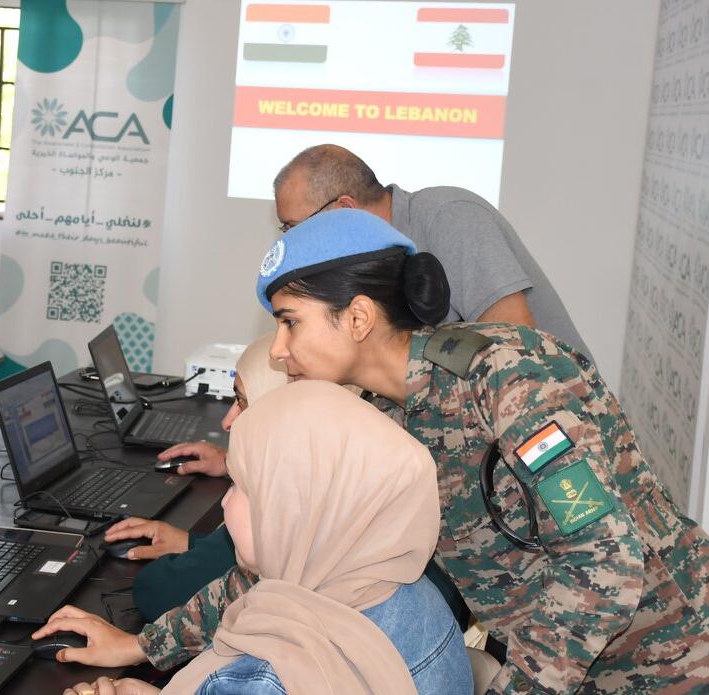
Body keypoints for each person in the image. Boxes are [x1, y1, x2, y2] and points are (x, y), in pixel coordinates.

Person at [248, 208, 709, 692]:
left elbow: (604, 558)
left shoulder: (509, 378)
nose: (278, 350)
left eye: (290, 323)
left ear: (358, 317)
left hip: (676, 663)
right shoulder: (380, 421)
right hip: (564, 669)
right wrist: (162, 641)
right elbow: (308, 557)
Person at [52, 381, 472, 695]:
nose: (225, 504)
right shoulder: (418, 598)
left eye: (239, 486)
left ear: (293, 512)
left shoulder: (263, 679)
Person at [271, 144, 592, 360]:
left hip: (554, 426)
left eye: (296, 228)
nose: (294, 242)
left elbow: (516, 344)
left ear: (344, 210)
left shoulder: (449, 217)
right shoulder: (366, 258)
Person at [103, 334, 287, 621]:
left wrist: (201, 550)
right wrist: (193, 543)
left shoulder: (273, 502)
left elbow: (160, 592)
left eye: (242, 401)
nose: (227, 422)